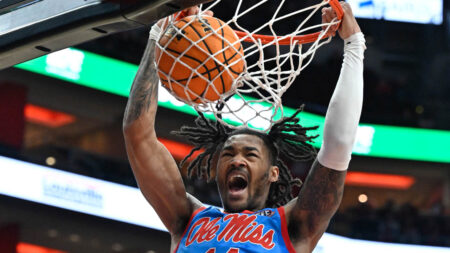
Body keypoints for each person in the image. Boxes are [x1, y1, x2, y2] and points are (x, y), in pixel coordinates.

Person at [123, 2, 365, 252]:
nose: (236, 160)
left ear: (273, 173)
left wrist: (355, 45)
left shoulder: (292, 227)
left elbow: (337, 148)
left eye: (250, 154)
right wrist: (160, 36)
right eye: (228, 154)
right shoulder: (187, 219)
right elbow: (136, 133)